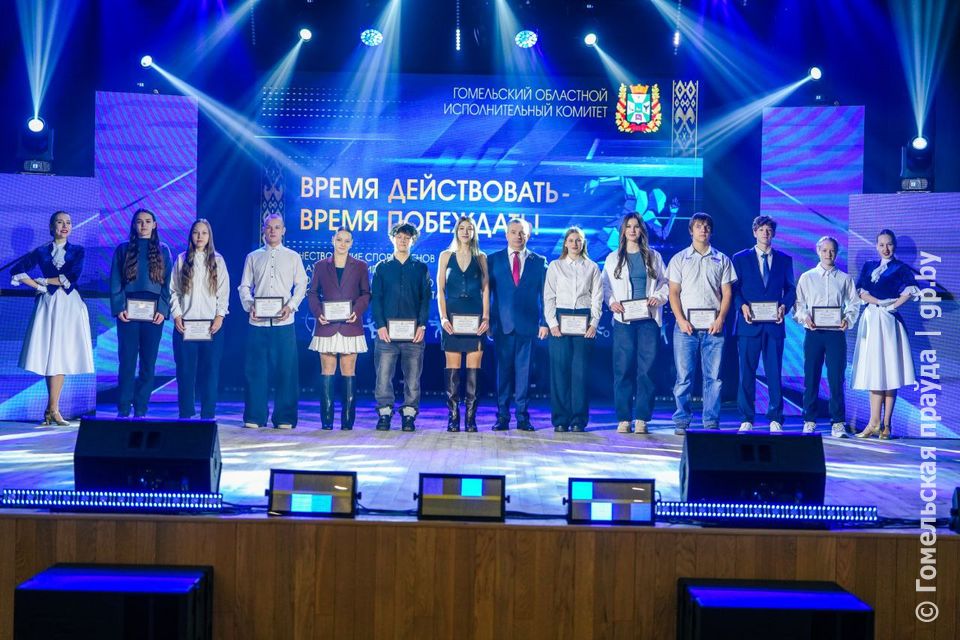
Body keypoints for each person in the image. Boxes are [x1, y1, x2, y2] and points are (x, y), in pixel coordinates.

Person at [9, 211, 94, 425]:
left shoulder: (78, 250)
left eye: (68, 222)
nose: (65, 226)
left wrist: (44, 281)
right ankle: (53, 409)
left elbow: (72, 276)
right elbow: (17, 269)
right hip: (48, 304)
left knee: (62, 354)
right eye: (60, 222)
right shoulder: (41, 251)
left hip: (69, 305)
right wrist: (38, 287)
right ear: (51, 226)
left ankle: (52, 409)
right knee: (51, 355)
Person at [667, 212, 736, 434]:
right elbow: (673, 293)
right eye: (698, 226)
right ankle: (681, 421)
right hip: (685, 328)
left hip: (714, 328)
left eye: (706, 226)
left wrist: (721, 319)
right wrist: (680, 320)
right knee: (684, 377)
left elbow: (727, 293)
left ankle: (711, 421)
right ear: (691, 230)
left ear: (711, 231)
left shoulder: (722, 259)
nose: (703, 229)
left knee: (713, 378)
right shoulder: (679, 259)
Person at [238, 213, 308, 429]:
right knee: (255, 371)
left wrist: (291, 306)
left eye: (277, 227)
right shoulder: (253, 257)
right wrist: (250, 305)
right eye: (269, 227)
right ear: (263, 230)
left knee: (286, 371)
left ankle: (285, 417)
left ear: (283, 230)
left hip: (283, 324)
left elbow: (302, 284)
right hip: (258, 323)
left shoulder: (293, 257)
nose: (273, 231)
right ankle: (255, 415)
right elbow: (244, 286)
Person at [601, 213, 669, 435]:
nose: (632, 230)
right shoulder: (613, 258)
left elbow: (665, 283)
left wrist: (658, 297)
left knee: (646, 370)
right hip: (623, 320)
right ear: (623, 231)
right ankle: (624, 418)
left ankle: (641, 418)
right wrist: (611, 302)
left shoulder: (654, 256)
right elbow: (605, 286)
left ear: (641, 230)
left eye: (636, 226)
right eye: (628, 226)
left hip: (648, 320)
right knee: (622, 369)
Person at [852, 229, 919, 439]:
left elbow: (911, 290)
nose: (885, 248)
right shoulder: (869, 266)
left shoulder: (900, 268)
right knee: (875, 371)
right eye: (881, 244)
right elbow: (861, 292)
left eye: (889, 244)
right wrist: (879, 302)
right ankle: (873, 422)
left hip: (889, 321)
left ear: (894, 245)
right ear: (876, 246)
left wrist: (892, 306)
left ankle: (886, 425)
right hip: (872, 319)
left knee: (889, 372)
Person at [732, 216, 796, 433]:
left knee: (774, 373)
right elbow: (734, 290)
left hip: (774, 325)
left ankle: (775, 417)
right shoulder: (740, 258)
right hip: (749, 324)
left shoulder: (784, 259)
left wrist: (784, 307)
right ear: (754, 232)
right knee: (746, 373)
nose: (765, 233)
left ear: (774, 233)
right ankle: (746, 418)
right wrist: (742, 306)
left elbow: (791, 289)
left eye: (769, 230)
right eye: (761, 230)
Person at [793, 236, 860, 437]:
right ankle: (809, 420)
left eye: (832, 251)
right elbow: (799, 304)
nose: (828, 254)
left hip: (835, 335)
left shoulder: (845, 278)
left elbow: (854, 303)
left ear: (836, 253)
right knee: (811, 377)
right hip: (813, 333)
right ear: (818, 251)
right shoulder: (807, 277)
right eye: (824, 250)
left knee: (836, 378)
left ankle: (838, 422)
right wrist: (805, 318)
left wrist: (847, 319)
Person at [110, 208, 173, 418]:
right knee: (127, 361)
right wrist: (119, 307)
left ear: (155, 225)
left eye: (147, 221)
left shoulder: (163, 250)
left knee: (148, 362)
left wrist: (163, 309)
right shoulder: (123, 249)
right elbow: (115, 280)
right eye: (139, 221)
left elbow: (169, 284)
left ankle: (141, 407)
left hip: (153, 313)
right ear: (134, 225)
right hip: (128, 311)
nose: (143, 225)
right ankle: (123, 407)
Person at [487, 218, 548, 432]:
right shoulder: (492, 260)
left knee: (524, 374)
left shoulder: (538, 262)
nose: (517, 236)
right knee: (502, 374)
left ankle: (522, 417)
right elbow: (487, 294)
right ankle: (502, 416)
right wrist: (488, 321)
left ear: (528, 236)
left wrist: (544, 323)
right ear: (506, 235)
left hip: (528, 326)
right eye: (513, 232)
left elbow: (545, 295)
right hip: (502, 326)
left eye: (522, 232)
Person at [306, 228, 370, 430]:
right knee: (327, 371)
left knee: (349, 371)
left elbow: (366, 294)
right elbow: (312, 293)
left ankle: (347, 421)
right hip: (327, 326)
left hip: (351, 325)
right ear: (332, 240)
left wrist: (356, 311)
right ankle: (326, 421)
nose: (342, 244)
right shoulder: (320, 266)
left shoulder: (361, 266)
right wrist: (318, 313)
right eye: (339, 239)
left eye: (347, 241)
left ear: (351, 243)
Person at [371, 221, 432, 432]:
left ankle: (409, 415)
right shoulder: (382, 268)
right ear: (392, 239)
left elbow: (426, 299)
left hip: (413, 335)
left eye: (407, 238)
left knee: (412, 379)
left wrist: (422, 326)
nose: (403, 241)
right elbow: (376, 299)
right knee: (383, 377)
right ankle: (384, 413)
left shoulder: (420, 268)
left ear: (412, 241)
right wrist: (380, 325)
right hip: (386, 335)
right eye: (399, 237)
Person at [169, 218, 229, 420]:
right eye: (196, 232)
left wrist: (220, 316)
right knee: (185, 373)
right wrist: (177, 315)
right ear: (191, 235)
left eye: (204, 233)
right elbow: (173, 291)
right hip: (186, 327)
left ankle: (207, 415)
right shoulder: (181, 259)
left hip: (211, 327)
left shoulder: (218, 260)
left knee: (210, 373)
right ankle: (186, 414)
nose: (200, 236)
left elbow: (224, 292)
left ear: (209, 236)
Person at [544, 227, 602, 432]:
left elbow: (597, 297)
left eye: (578, 240)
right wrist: (552, 323)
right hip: (560, 320)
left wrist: (594, 323)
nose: (575, 243)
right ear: (565, 243)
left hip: (584, 321)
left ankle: (578, 420)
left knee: (580, 372)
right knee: (559, 372)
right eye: (571, 240)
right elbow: (549, 296)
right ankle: (560, 419)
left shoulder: (592, 267)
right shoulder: (555, 266)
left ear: (583, 243)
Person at [437, 216, 490, 433]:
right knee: (452, 369)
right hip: (452, 318)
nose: (465, 232)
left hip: (475, 318)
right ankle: (453, 418)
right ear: (456, 231)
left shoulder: (481, 257)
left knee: (473, 370)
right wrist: (443, 318)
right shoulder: (445, 256)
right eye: (462, 228)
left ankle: (470, 418)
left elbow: (486, 289)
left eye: (469, 228)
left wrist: (486, 317)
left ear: (474, 232)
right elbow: (440, 290)